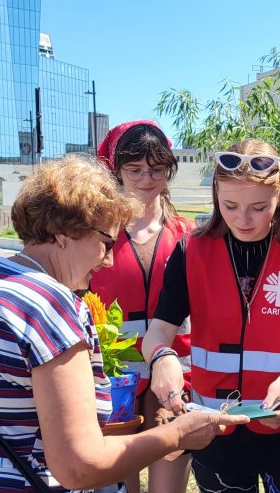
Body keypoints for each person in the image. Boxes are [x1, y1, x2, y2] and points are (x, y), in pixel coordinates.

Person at [0, 155, 248, 493]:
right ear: (64, 234)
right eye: (106, 242)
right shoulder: (50, 306)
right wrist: (177, 435)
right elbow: (79, 466)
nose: (108, 260)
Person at [143, 139, 280, 493]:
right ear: (216, 194)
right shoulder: (191, 251)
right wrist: (161, 356)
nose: (243, 219)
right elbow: (159, 330)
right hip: (217, 427)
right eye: (230, 205)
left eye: (258, 207)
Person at [91, 120, 195, 493]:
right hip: (115, 381)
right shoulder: (96, 234)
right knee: (119, 484)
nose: (146, 179)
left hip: (175, 376)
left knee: (168, 485)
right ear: (115, 170)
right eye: (134, 170)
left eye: (156, 170)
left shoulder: (188, 234)